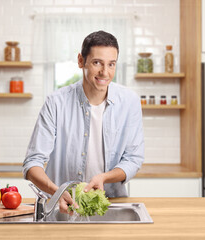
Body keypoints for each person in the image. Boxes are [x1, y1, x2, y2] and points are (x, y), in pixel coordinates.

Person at [23, 30, 144, 215]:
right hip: (63, 206)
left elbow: (133, 159)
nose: (105, 72)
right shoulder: (56, 102)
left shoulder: (130, 102)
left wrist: (104, 177)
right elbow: (33, 162)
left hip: (110, 204)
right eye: (97, 63)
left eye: (111, 64)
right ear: (81, 61)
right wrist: (56, 192)